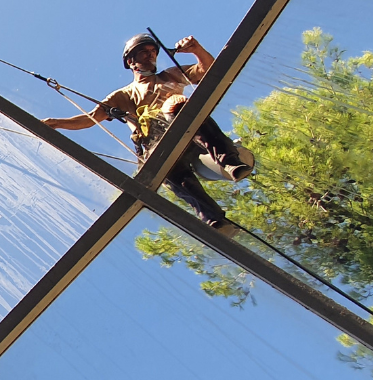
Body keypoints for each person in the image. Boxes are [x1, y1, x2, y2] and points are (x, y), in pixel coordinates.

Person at [42, 33, 251, 238]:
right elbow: (89, 119)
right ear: (131, 61)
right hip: (156, 143)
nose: (150, 56)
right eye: (144, 52)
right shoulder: (122, 96)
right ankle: (214, 221)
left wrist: (196, 50)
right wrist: (55, 124)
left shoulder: (170, 75)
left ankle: (230, 162)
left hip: (185, 128)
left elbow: (208, 72)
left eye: (153, 52)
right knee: (178, 179)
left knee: (182, 108)